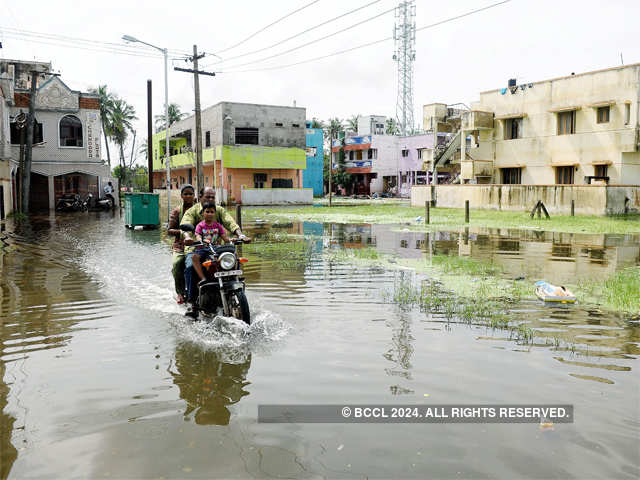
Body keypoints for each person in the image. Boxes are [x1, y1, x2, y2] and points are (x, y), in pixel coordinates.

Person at [181, 187, 251, 318]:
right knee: (190, 266)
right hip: (195, 248)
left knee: (232, 258)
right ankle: (192, 303)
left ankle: (234, 287)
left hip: (215, 248)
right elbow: (185, 225)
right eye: (207, 197)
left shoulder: (218, 210)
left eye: (213, 197)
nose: (210, 199)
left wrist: (240, 235)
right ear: (200, 197)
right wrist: (188, 237)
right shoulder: (192, 211)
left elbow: (230, 223)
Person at [167, 184, 196, 304]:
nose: (188, 196)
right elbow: (169, 230)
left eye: (191, 194)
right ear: (181, 196)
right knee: (177, 264)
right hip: (180, 245)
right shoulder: (177, 211)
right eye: (186, 194)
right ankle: (180, 292)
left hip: (197, 244)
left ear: (194, 196)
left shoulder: (200, 210)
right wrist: (182, 232)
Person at [191, 202, 231, 286]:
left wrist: (232, 240)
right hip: (203, 248)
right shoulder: (200, 225)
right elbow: (197, 236)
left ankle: (231, 276)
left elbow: (225, 238)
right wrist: (202, 240)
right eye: (207, 211)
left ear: (215, 213)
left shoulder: (218, 226)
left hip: (215, 248)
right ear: (202, 213)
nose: (210, 214)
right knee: (194, 257)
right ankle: (203, 278)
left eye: (212, 212)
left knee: (231, 255)